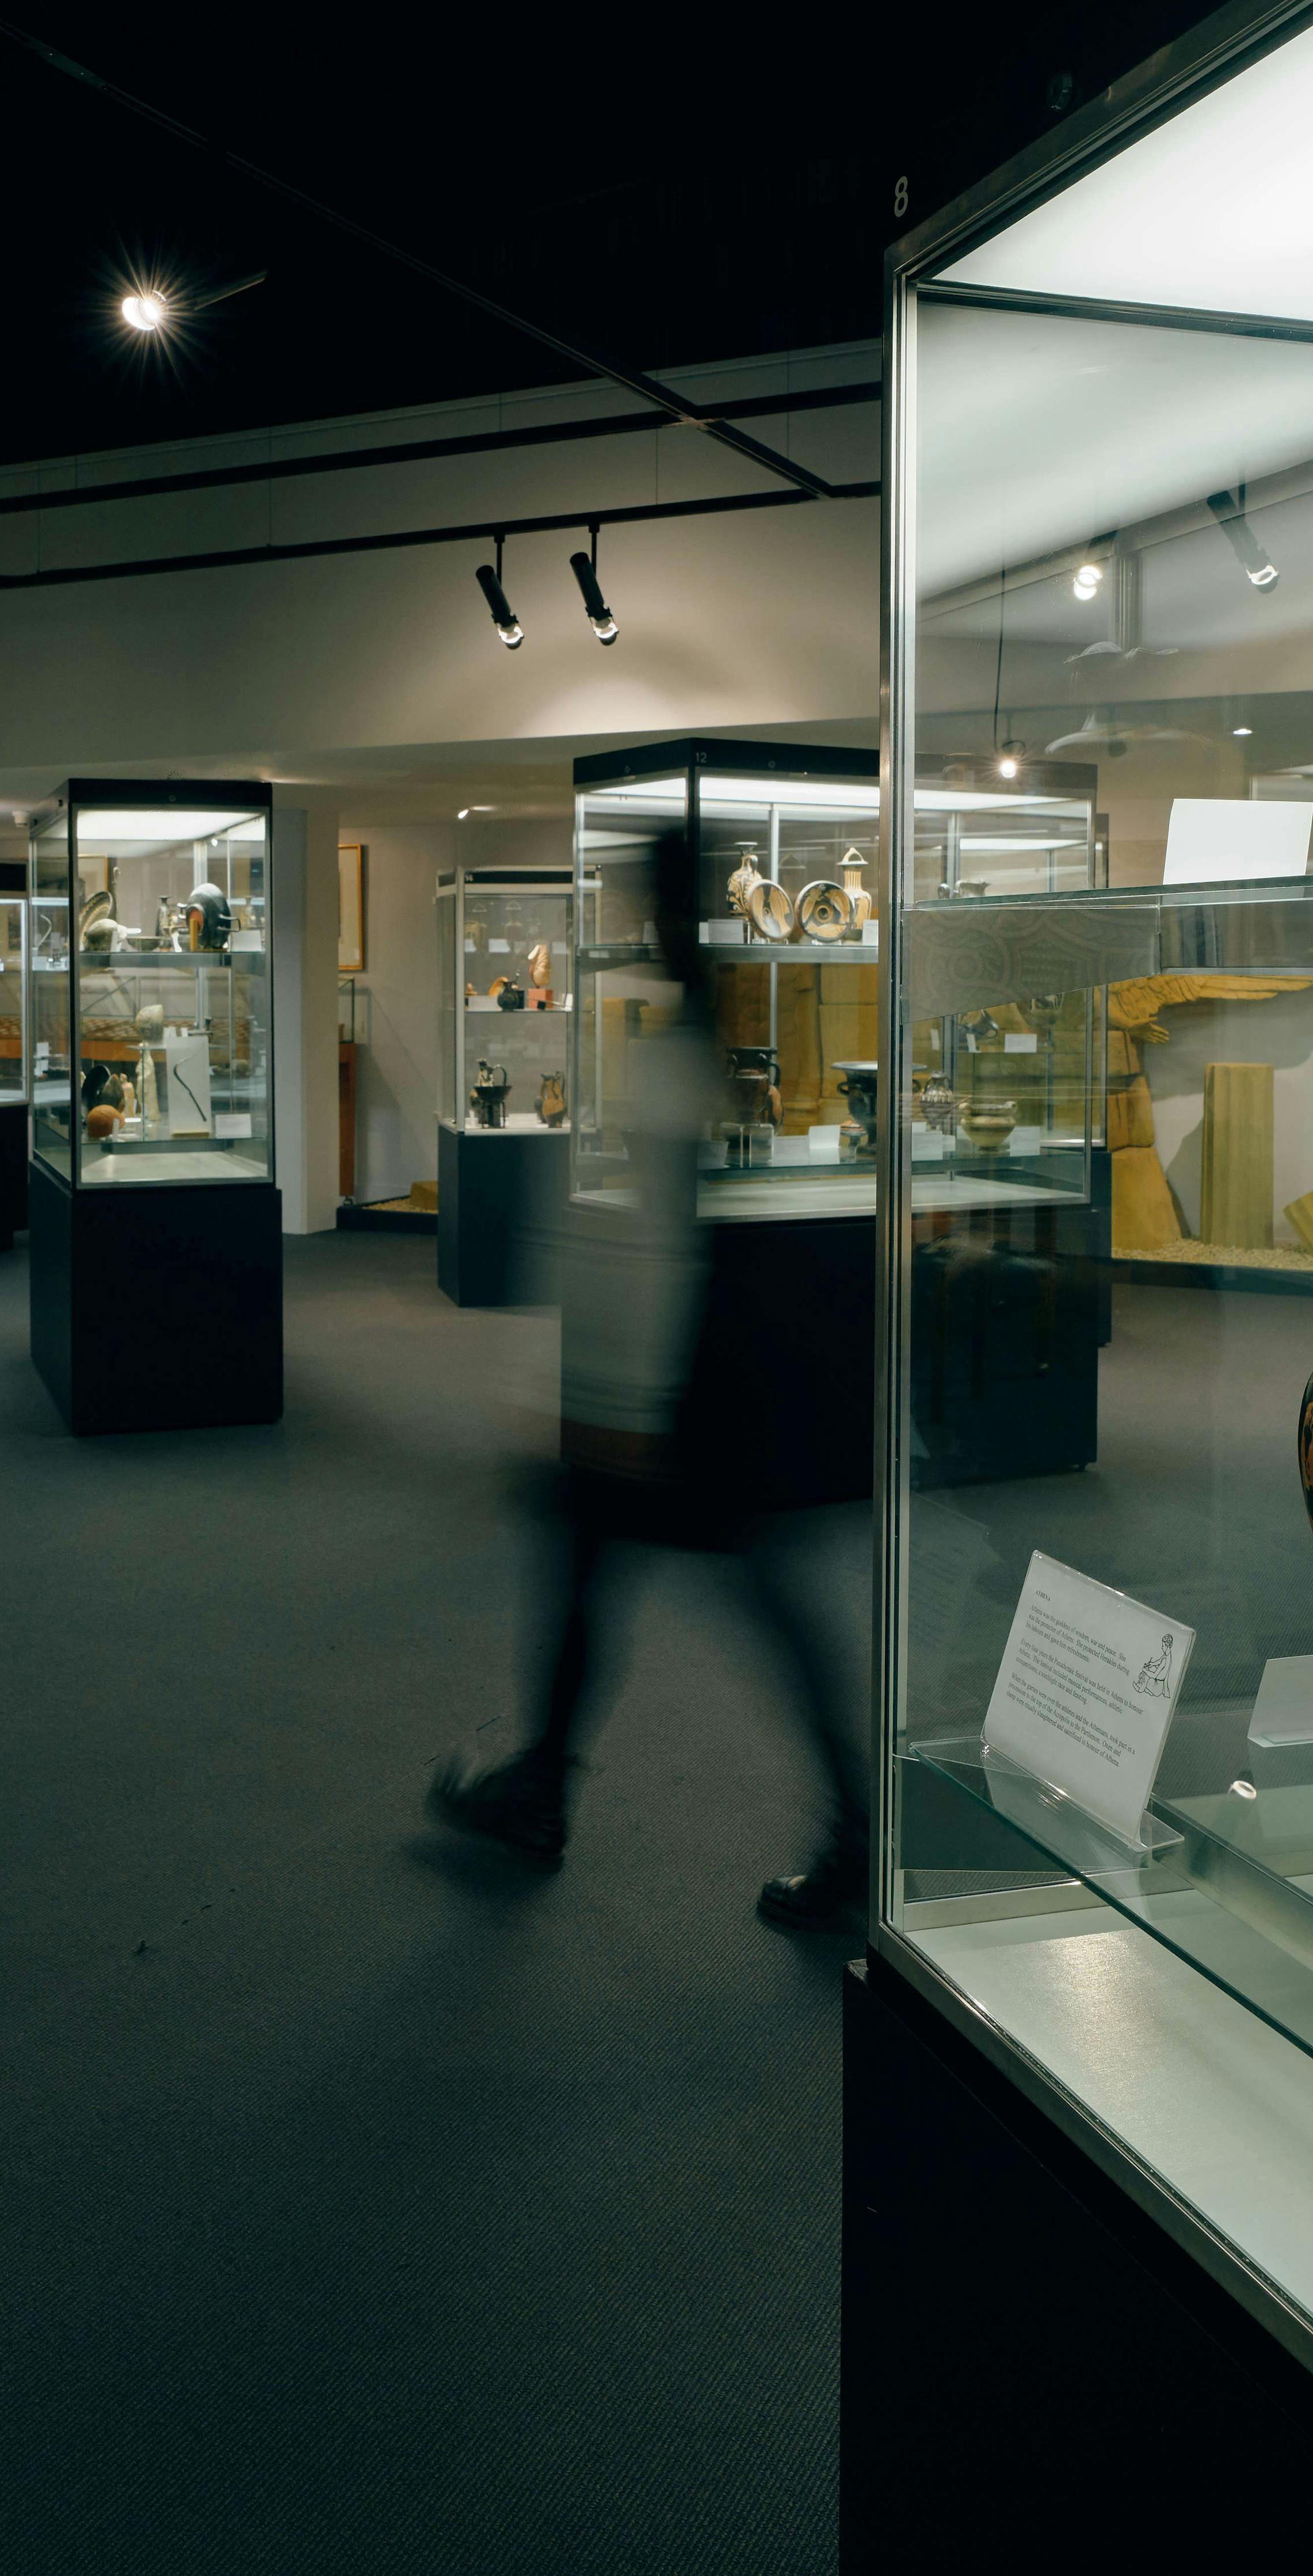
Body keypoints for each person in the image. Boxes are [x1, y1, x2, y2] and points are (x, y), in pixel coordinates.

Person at [429, 826, 868, 1933]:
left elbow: (663, 1240)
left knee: (709, 1588)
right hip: (715, 1381)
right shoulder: (704, 1021)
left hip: (688, 1389)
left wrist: (615, 1402)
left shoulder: (682, 1040)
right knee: (641, 1574)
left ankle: (858, 1831)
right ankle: (543, 1784)